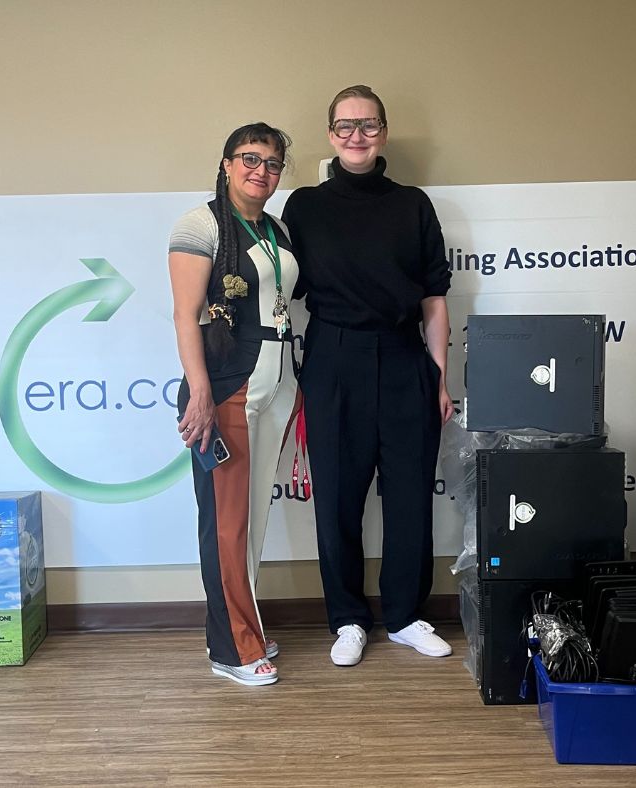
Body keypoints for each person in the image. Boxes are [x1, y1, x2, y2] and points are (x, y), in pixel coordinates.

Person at [282, 85, 455, 667]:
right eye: (346, 125)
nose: (357, 135)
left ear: (384, 131)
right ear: (331, 134)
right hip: (332, 358)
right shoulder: (304, 207)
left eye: (369, 124)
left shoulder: (413, 205)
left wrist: (439, 378)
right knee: (336, 498)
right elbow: (280, 288)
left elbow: (434, 299)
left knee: (410, 495)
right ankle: (348, 619)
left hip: (405, 356)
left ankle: (404, 616)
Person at [169, 123, 300, 686]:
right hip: (227, 386)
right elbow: (185, 314)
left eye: (272, 163)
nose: (260, 171)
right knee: (226, 525)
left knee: (252, 520)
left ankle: (245, 626)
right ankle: (231, 648)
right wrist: (199, 391)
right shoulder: (200, 224)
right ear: (226, 164)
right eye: (249, 158)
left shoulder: (276, 228)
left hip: (276, 382)